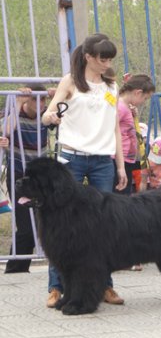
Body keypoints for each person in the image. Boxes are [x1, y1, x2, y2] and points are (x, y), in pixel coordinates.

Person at [40, 33, 127, 308]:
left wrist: (120, 164)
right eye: (103, 58)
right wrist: (51, 116)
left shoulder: (111, 86)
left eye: (110, 59)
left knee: (104, 227)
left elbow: (114, 127)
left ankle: (105, 286)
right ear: (88, 56)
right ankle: (57, 287)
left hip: (103, 160)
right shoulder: (72, 82)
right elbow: (50, 113)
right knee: (62, 226)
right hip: (72, 159)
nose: (106, 63)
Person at [2, 84, 54, 274]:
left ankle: (19, 268)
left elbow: (62, 117)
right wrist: (18, 102)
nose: (41, 104)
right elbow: (6, 130)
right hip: (19, 175)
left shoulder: (47, 114)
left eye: (43, 100)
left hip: (40, 178)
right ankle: (15, 269)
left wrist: (57, 96)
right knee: (26, 226)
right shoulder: (14, 112)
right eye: (35, 99)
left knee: (42, 223)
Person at [115, 74, 155, 195]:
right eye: (145, 98)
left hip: (127, 159)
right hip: (119, 159)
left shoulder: (126, 107)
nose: (144, 102)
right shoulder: (120, 107)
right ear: (138, 93)